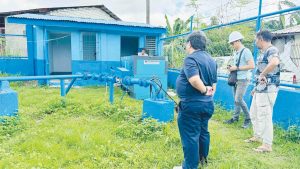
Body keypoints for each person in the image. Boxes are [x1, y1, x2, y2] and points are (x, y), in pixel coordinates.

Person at [174, 31, 217, 169]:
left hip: (192, 104)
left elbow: (193, 79)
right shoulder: (211, 60)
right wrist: (207, 95)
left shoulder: (190, 59)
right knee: (203, 132)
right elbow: (214, 85)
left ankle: (190, 166)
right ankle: (202, 160)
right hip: (207, 104)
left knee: (190, 136)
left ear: (190, 43)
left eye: (186, 43)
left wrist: (203, 90)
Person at [245, 30, 280, 153]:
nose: (255, 42)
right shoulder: (263, 52)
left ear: (261, 39)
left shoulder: (272, 50)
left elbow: (275, 62)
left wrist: (263, 74)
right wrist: (255, 88)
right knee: (254, 113)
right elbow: (259, 72)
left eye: (256, 39)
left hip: (268, 90)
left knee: (265, 116)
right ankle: (257, 136)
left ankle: (267, 145)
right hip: (260, 90)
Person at [224, 31, 255, 128]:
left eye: (232, 43)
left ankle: (248, 118)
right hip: (236, 79)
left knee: (238, 99)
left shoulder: (246, 51)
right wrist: (231, 68)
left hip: (243, 79)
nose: (232, 45)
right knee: (236, 100)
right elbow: (238, 65)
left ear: (237, 41)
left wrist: (236, 68)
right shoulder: (236, 53)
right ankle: (235, 118)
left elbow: (252, 65)